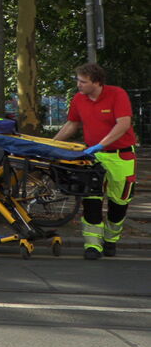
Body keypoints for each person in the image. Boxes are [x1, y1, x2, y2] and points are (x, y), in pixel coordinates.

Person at [52, 62, 137, 260]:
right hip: (92, 158)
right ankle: (92, 245)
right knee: (91, 200)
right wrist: (51, 145)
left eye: (83, 81)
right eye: (78, 81)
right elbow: (72, 124)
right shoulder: (79, 99)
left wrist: (101, 144)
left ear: (97, 83)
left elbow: (123, 124)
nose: (78, 85)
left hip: (120, 156)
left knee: (119, 202)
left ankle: (111, 240)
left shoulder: (117, 94)